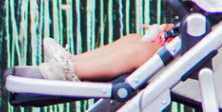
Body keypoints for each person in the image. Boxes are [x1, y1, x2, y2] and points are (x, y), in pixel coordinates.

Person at [38, 27, 170, 82]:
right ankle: (72, 60)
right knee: (133, 38)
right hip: (173, 47)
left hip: (177, 61)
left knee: (139, 51)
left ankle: (73, 71)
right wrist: (164, 28)